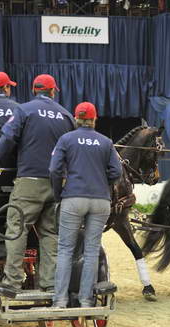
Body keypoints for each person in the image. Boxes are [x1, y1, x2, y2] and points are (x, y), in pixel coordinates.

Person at [0, 74, 75, 292]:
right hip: (57, 184)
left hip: (29, 182)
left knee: (17, 228)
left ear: (34, 90)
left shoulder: (24, 110)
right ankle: (49, 283)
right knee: (50, 233)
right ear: (53, 92)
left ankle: (13, 282)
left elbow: (8, 138)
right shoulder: (65, 115)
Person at [49, 102, 122, 308]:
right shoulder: (106, 142)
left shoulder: (66, 139)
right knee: (91, 250)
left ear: (76, 119)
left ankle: (61, 300)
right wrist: (100, 180)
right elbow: (117, 172)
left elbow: (54, 169)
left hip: (73, 197)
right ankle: (86, 299)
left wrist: (58, 194)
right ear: (94, 119)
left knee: (65, 249)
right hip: (100, 201)